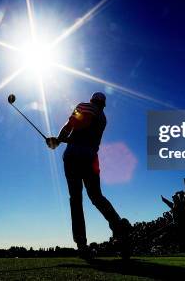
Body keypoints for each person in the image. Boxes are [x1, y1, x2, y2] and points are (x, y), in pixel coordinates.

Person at [46, 92, 131, 259]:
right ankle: (120, 229)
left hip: (72, 157)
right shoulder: (103, 118)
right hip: (90, 158)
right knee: (96, 196)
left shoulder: (84, 106)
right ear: (103, 104)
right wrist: (63, 140)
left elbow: (71, 126)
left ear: (92, 100)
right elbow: (85, 134)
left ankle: (82, 245)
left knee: (75, 199)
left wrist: (58, 140)